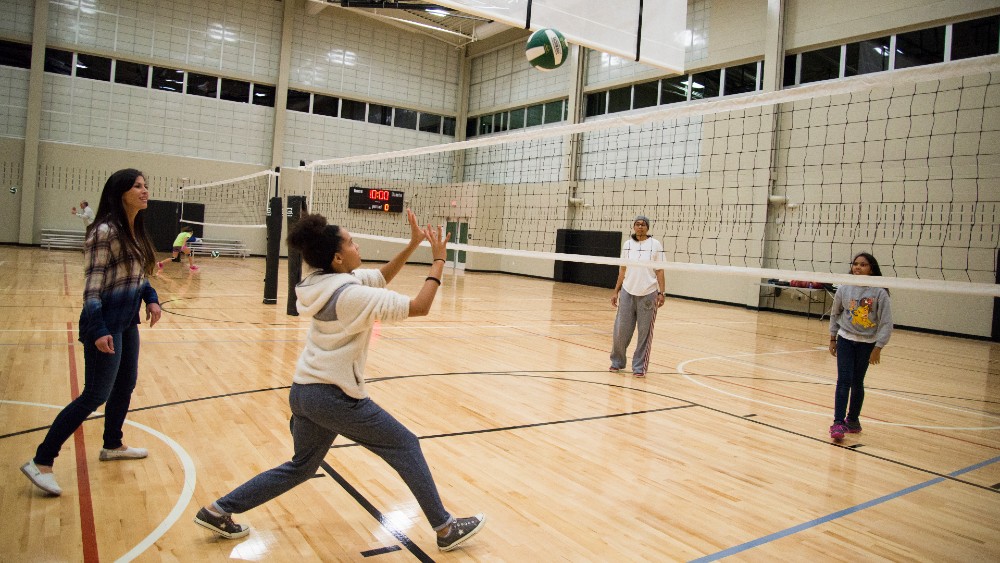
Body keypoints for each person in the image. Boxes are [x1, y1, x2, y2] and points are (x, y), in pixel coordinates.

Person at [193, 209, 486, 552]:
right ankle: (445, 527)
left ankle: (218, 510)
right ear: (337, 257)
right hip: (335, 397)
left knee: (301, 467)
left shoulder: (320, 282)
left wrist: (412, 245)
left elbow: (379, 278)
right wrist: (439, 262)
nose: (356, 244)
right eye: (350, 242)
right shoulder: (351, 295)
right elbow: (420, 306)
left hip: (304, 392)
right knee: (405, 444)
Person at [22, 169, 161, 496]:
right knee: (95, 394)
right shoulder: (104, 231)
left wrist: (151, 299)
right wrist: (98, 328)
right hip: (105, 324)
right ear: (121, 192)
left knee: (125, 383)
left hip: (127, 321)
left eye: (145, 185)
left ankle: (112, 445)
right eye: (137, 186)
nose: (145, 191)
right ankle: (41, 460)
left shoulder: (133, 229)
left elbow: (138, 277)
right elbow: (93, 289)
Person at [827, 252, 893, 441]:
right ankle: (838, 422)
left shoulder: (879, 292)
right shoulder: (844, 288)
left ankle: (853, 420)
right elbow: (835, 313)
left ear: (871, 269)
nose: (858, 267)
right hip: (846, 338)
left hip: (867, 342)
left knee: (857, 382)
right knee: (843, 381)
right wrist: (833, 338)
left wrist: (878, 347)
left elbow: (886, 322)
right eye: (855, 264)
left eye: (863, 265)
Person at [609, 215, 665, 378]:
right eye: (637, 224)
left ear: (647, 227)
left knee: (644, 333)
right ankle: (617, 362)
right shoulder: (627, 245)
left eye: (643, 224)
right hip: (627, 291)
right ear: (633, 227)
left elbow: (660, 270)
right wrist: (616, 291)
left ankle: (639, 366)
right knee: (621, 330)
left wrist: (662, 292)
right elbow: (623, 270)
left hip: (648, 293)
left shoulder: (655, 245)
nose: (640, 226)